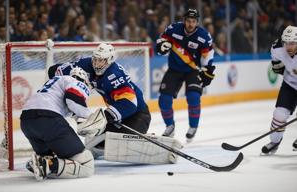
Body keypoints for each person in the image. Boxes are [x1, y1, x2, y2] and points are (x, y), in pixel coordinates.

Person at [48, 43, 151, 156]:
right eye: (95, 59)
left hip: (138, 115)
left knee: (119, 143)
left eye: (101, 61)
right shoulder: (86, 64)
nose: (97, 64)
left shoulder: (114, 74)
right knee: (96, 141)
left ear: (110, 60)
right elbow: (55, 71)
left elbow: (130, 103)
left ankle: (140, 138)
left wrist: (105, 117)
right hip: (117, 119)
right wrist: (56, 74)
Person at [20, 66, 94, 180]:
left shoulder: (54, 81)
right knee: (87, 163)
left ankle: (43, 162)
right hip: (47, 119)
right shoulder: (74, 81)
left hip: (27, 122)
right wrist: (91, 117)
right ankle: (48, 165)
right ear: (84, 80)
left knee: (51, 156)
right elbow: (72, 99)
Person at [155, 9, 215, 141]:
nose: (190, 24)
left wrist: (208, 69)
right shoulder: (173, 29)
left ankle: (193, 126)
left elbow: (208, 55)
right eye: (188, 21)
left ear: (197, 22)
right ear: (184, 20)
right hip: (174, 69)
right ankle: (170, 126)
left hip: (193, 70)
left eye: (193, 21)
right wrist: (161, 47)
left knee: (193, 97)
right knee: (164, 100)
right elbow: (160, 41)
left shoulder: (204, 36)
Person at [261, 25, 297, 154]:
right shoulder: (277, 48)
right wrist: (278, 67)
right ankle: (275, 142)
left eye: (292, 43)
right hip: (290, 84)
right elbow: (277, 65)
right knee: (279, 114)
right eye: (287, 43)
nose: (289, 47)